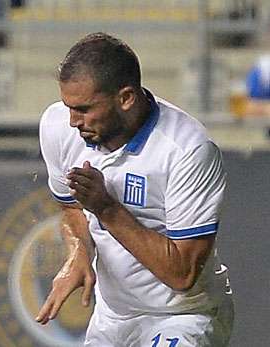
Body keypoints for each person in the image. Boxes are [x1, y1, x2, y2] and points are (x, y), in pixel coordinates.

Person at [35, 33, 234, 346]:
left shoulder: (187, 150)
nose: (73, 121)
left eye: (84, 109)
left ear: (126, 98)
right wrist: (79, 250)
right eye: (68, 107)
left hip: (182, 316)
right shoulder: (58, 125)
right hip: (113, 317)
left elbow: (182, 274)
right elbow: (71, 208)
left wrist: (107, 208)